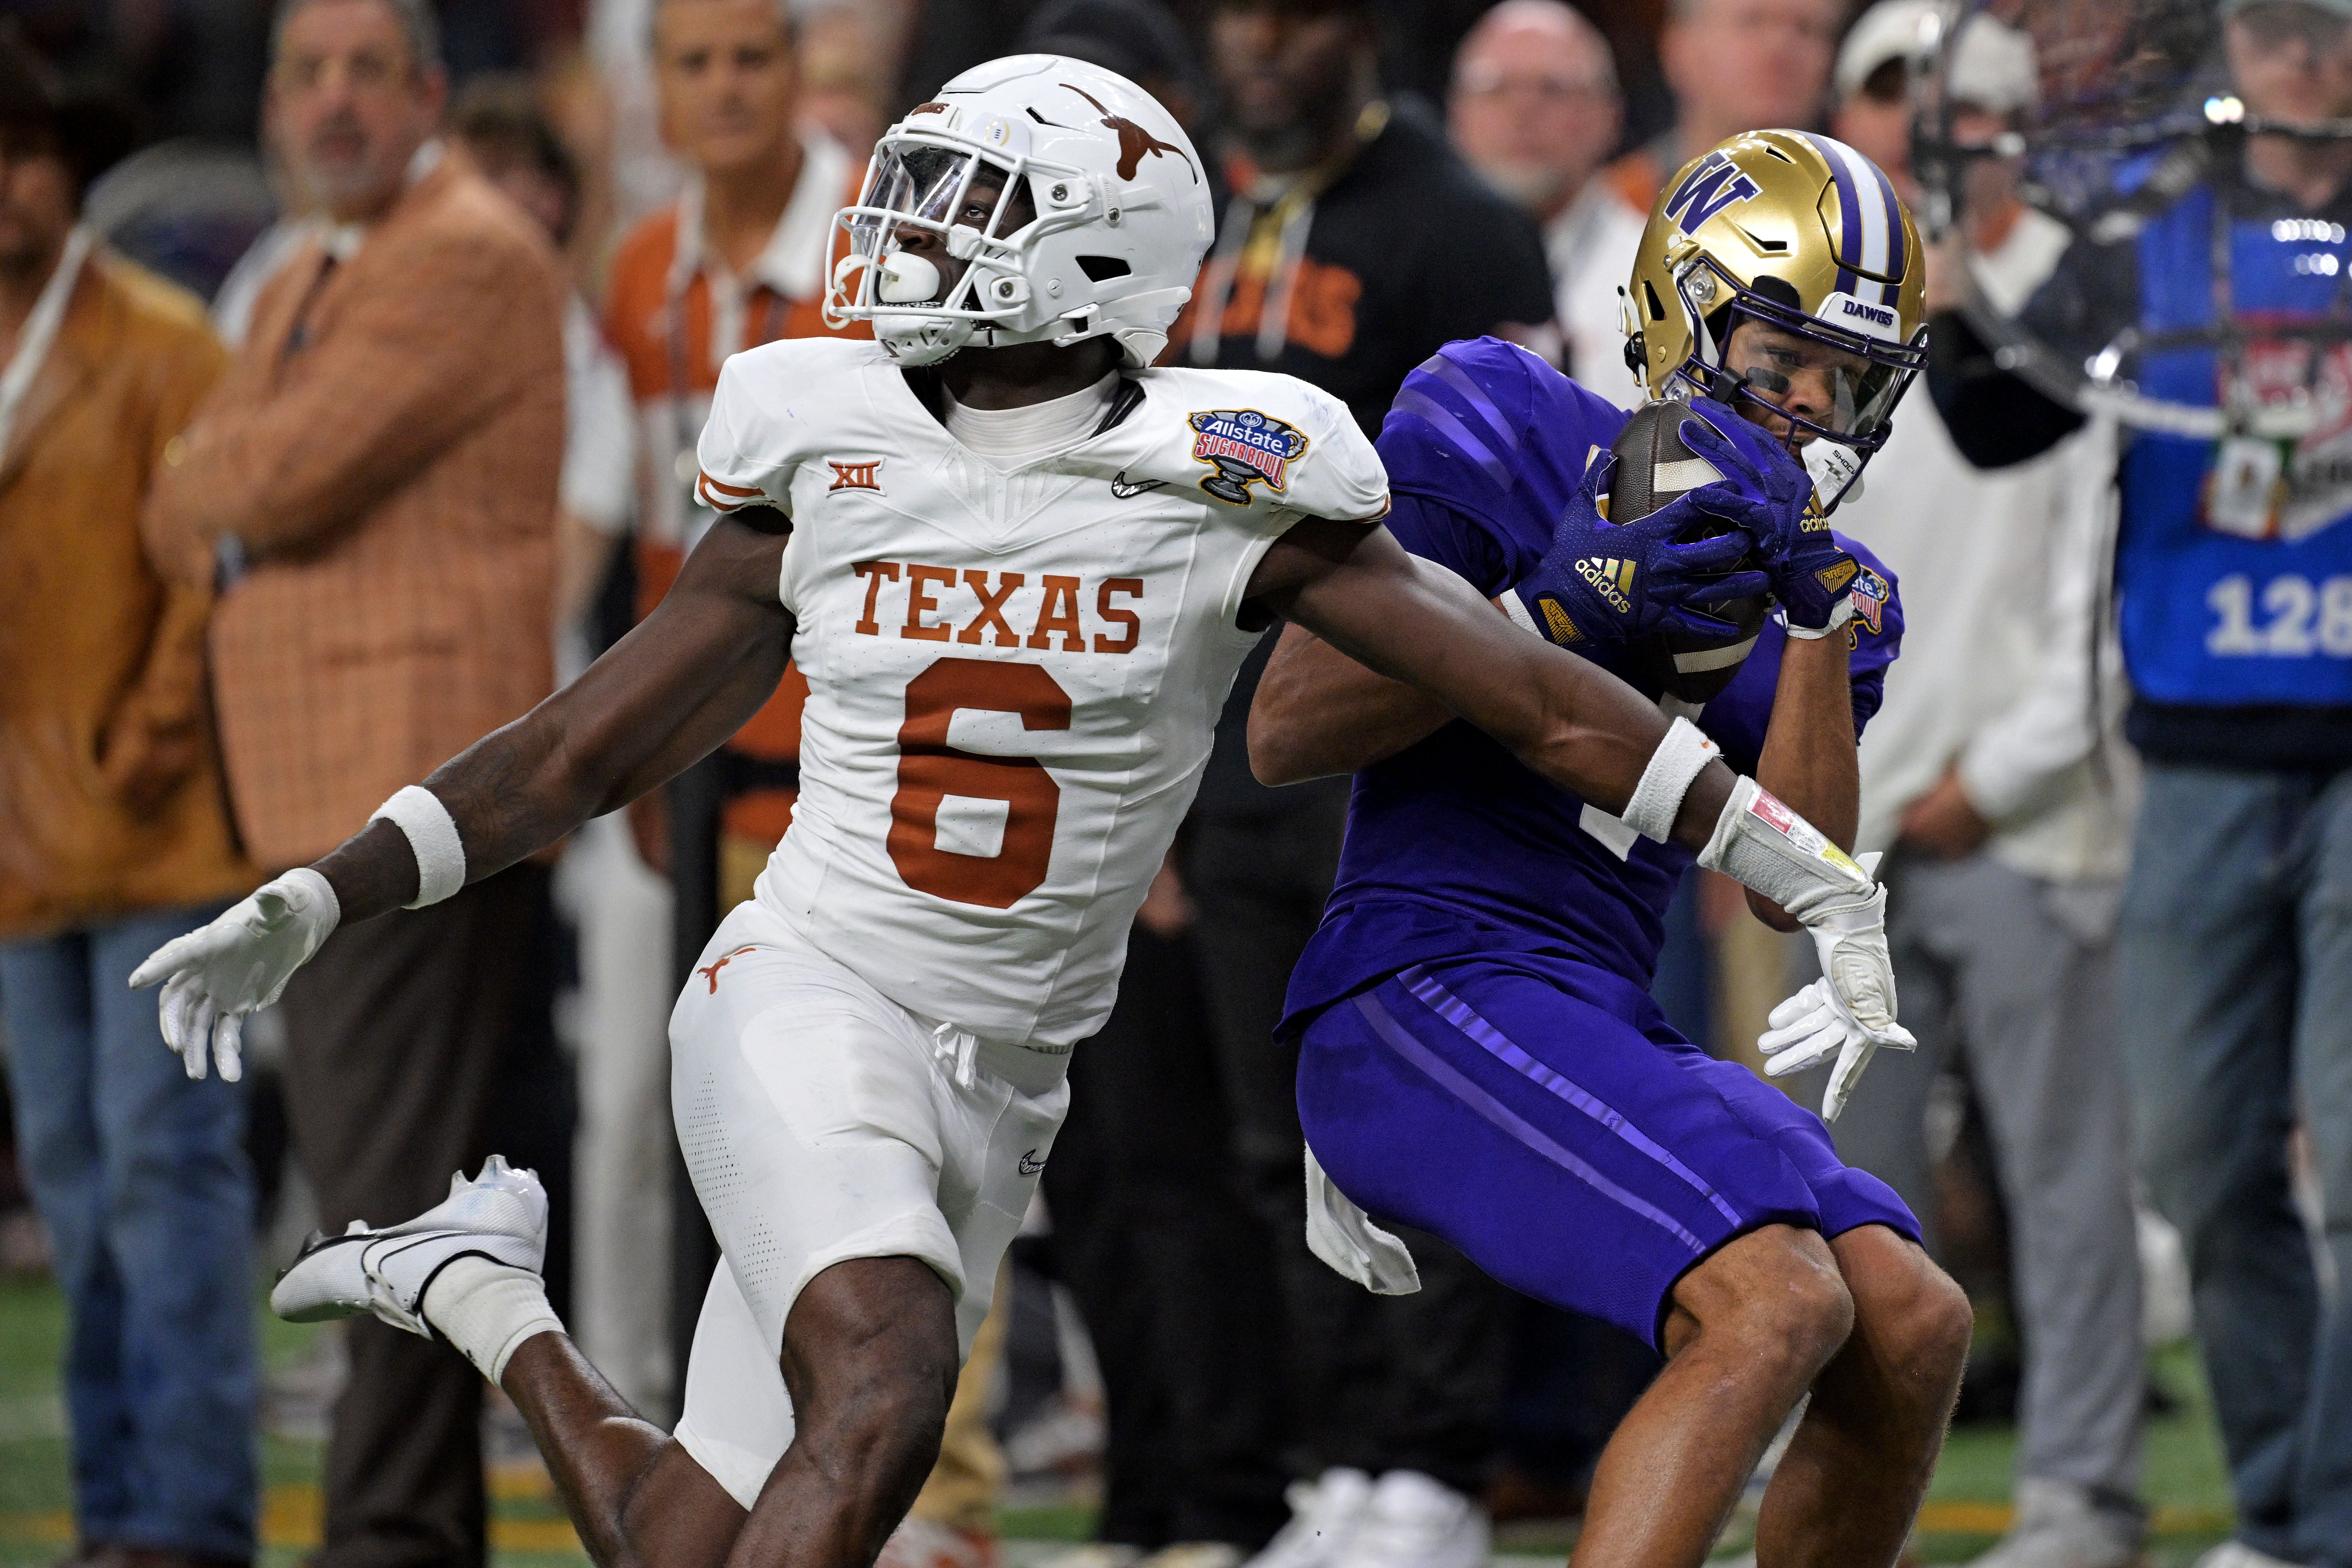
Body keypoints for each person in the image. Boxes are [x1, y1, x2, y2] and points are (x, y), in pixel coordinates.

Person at [132, 57, 1910, 1568]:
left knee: (706, 1530)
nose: (907, 233)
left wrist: (1800, 865)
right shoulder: (820, 439)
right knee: (889, 1373)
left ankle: (483, 1298)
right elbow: (570, 751)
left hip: (1009, 1067)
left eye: (962, 200)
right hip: (809, 986)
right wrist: (333, 884)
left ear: (1093, 250)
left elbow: (1530, 703)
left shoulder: (1235, 470)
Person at [1249, 129, 1974, 1568]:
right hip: (1419, 977)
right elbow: (1289, 723)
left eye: (1852, 376)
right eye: (1786, 356)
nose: (1816, 404)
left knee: (1908, 1317)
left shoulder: (1842, 588)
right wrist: (1551, 616)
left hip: (1599, 1003)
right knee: (1772, 1300)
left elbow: (1788, 869)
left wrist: (1817, 620)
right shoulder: (1500, 415)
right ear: (1682, 311)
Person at [140, 2, 567, 1564]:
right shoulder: (322, 262)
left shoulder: (452, 248)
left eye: (362, 74)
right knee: (391, 1189)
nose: (330, 104)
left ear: (429, 97)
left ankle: (390, 1536)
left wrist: (209, 481)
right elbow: (213, 482)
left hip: (410, 808)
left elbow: (258, 477)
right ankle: (408, 1524)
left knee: (388, 1206)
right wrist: (210, 482)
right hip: (358, 803)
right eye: (304, 74)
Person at [1929, 4, 2352, 1565]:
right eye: (2271, 27)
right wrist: (1953, 277)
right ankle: (2284, 1503)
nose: (2300, 57)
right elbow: (1993, 421)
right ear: (2224, 45)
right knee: (2190, 1154)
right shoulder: (2151, 235)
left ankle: (2313, 1524)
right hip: (2189, 750)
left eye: (2325, 29)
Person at [1179, 6, 1558, 1558]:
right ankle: (1338, 1455)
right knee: (1274, 1140)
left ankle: (1434, 1463)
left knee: (1412, 1110)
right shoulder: (1186, 210)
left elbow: (1518, 494)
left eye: (1292, 12)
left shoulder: (1459, 224)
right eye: (1236, 13)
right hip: (1218, 739)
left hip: (1391, 741)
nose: (1258, 42)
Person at [1820, 11, 2148, 1568]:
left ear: (2012, 127)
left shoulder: (2082, 301)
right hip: (1839, 827)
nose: (1922, 132)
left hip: (2023, 810)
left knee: (2062, 1176)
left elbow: (2101, 582)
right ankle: (1854, 1493)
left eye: (1954, 108)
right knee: (1842, 1197)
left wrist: (1994, 773)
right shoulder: (1809, 313)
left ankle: (2077, 1492)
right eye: (1890, 101)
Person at [0, 39, 259, 1568]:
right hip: (26, 847)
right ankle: (118, 1518)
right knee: (87, 1193)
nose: (8, 181)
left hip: (154, 832)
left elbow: (211, 577)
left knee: (160, 1182)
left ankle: (190, 1523)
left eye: (27, 149)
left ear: (71, 168)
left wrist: (145, 739)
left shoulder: (164, 344)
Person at [1448, 0, 1649, 407]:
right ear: (1455, 114)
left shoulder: (1659, 281)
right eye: (1495, 89)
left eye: (1553, 89)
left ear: (1610, 116)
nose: (1522, 111)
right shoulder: (1406, 268)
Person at [1600, 0, 1840, 217]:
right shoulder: (1613, 210)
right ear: (1679, 47)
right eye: (1752, 22)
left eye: (1806, 29)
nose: (1781, 48)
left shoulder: (1857, 214)